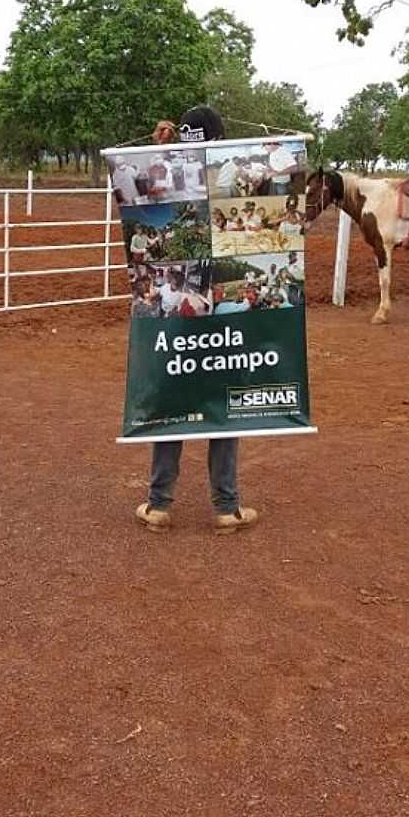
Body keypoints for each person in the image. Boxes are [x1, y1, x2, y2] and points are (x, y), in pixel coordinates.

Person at [136, 105, 257, 535]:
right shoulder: (232, 180)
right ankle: (227, 508)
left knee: (173, 401)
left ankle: (158, 505)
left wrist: (160, 150)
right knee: (221, 403)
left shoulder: (172, 186)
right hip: (221, 319)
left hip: (176, 325)